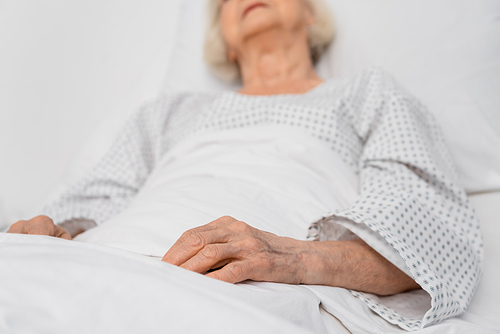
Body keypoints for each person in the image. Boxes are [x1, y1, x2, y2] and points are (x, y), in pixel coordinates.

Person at [7, 0, 482, 329]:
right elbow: (86, 205)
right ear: (226, 43)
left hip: (249, 278)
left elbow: (429, 236)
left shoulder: (366, 93)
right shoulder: (168, 113)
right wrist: (47, 233)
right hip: (106, 255)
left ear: (310, 15)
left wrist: (290, 258)